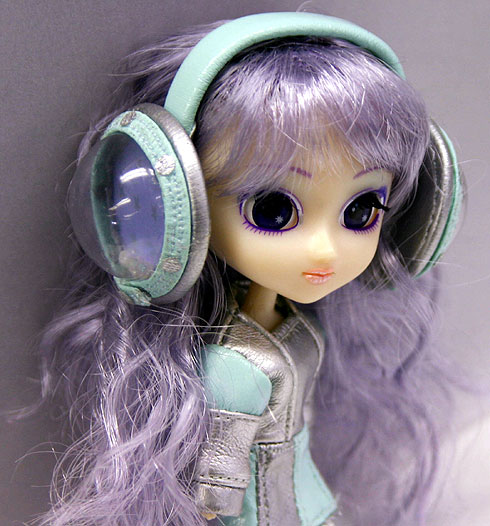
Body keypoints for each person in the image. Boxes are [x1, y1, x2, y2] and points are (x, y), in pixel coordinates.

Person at [37, 12, 461, 526]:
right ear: (181, 206)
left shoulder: (296, 322)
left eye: (361, 210)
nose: (325, 250)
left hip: (308, 499)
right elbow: (217, 488)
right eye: (273, 211)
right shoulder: (233, 366)